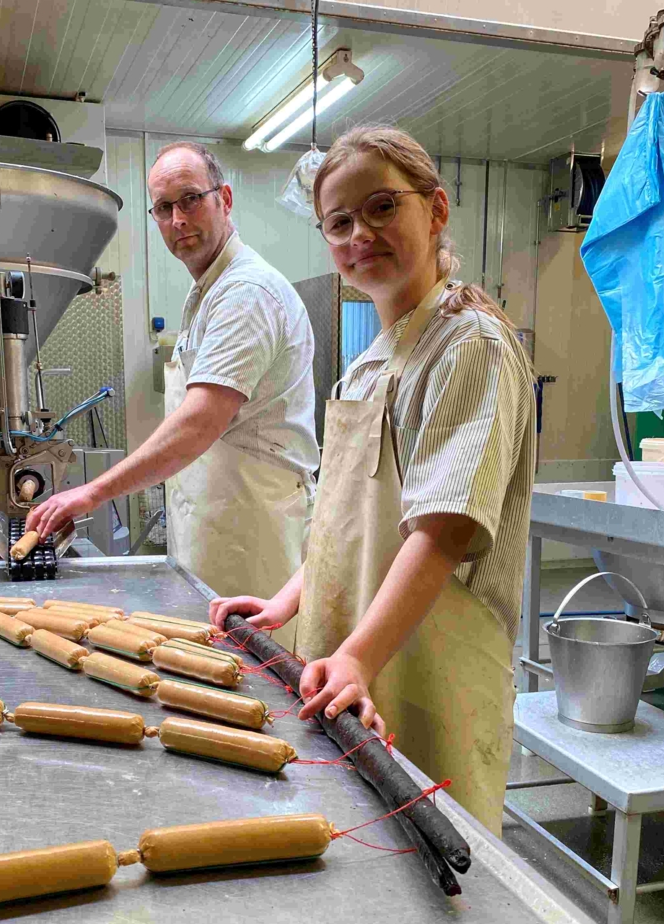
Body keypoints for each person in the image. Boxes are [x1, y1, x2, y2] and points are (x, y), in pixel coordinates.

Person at [211, 127, 536, 835]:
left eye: (383, 206)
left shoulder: (471, 344)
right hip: (353, 665)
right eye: (340, 221)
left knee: (430, 859)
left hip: (430, 670)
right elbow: (343, 523)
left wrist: (359, 653)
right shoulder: (367, 363)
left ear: (437, 209)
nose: (362, 232)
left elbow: (444, 530)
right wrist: (283, 604)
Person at [28, 142, 318, 632]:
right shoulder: (207, 291)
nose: (178, 219)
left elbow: (199, 423)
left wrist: (92, 494)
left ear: (224, 199)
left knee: (255, 683)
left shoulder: (246, 294)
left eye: (190, 200)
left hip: (253, 537)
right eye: (163, 208)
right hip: (215, 526)